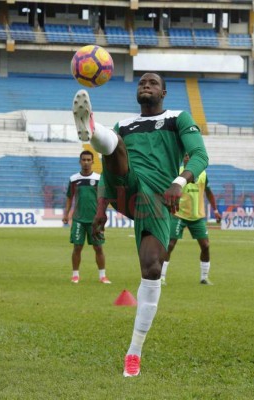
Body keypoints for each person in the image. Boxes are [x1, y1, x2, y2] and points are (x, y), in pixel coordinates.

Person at [72, 72, 208, 377]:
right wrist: (100, 209)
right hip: (129, 188)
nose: (145, 86)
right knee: (116, 145)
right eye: (141, 83)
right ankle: (93, 129)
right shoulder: (126, 124)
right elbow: (107, 175)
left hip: (159, 200)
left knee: (151, 268)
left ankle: (134, 352)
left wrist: (179, 182)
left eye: (152, 83)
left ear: (164, 92)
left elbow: (199, 154)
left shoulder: (177, 117)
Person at [161, 154, 221, 286]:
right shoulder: (177, 172)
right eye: (186, 156)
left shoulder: (203, 174)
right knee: (169, 245)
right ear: (183, 158)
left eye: (189, 156)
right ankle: (161, 277)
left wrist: (215, 210)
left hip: (197, 216)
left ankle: (204, 277)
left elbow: (209, 192)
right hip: (179, 214)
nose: (187, 158)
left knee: (205, 246)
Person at [63, 150, 111, 284]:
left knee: (98, 247)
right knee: (77, 247)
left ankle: (102, 276)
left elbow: (103, 198)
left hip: (95, 220)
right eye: (83, 160)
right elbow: (69, 197)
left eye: (88, 160)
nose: (86, 162)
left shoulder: (98, 179)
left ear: (93, 161)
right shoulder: (74, 179)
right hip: (78, 219)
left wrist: (102, 215)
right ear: (80, 161)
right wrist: (66, 214)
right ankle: (75, 275)